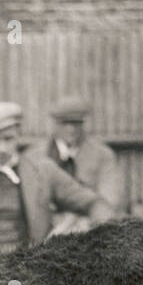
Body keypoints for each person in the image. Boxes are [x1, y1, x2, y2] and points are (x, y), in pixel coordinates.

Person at [0, 101, 106, 253]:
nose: (2, 148)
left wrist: (75, 228)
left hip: (31, 269)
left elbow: (93, 203)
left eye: (8, 138)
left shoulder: (43, 170)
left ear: (18, 135)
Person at [25, 94, 124, 232]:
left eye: (76, 123)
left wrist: (85, 223)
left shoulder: (103, 155)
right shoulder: (34, 156)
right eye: (64, 123)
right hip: (47, 232)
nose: (71, 129)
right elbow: (30, 204)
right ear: (54, 124)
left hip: (89, 229)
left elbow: (109, 200)